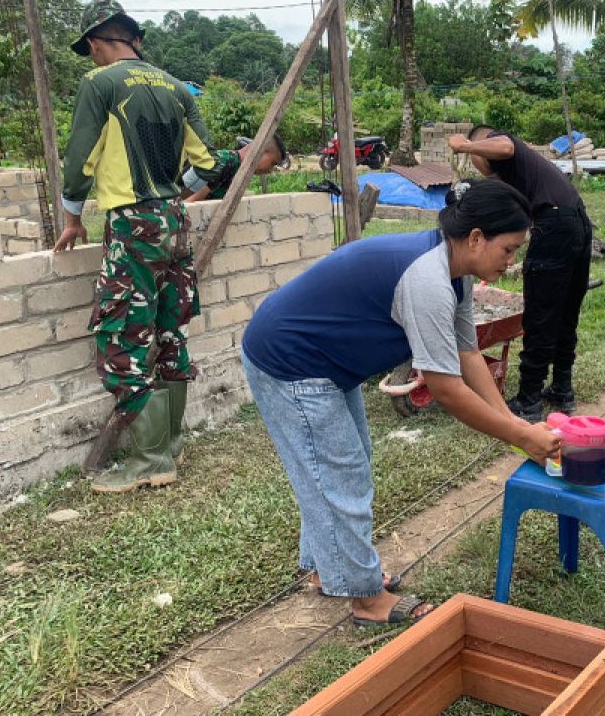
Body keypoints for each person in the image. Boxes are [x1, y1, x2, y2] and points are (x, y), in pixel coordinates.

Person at [240, 178, 561, 626]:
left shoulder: (454, 273)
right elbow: (447, 389)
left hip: (324, 361)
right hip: (290, 359)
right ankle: (367, 600)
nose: (512, 261)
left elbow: (468, 354)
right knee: (338, 473)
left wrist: (513, 424)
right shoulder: (427, 280)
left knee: (341, 466)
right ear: (474, 238)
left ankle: (329, 569)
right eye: (508, 250)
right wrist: (521, 434)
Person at [55, 0, 229, 494]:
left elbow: (79, 159)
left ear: (95, 43)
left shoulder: (100, 84)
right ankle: (169, 444)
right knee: (170, 331)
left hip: (133, 225)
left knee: (120, 340)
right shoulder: (176, 87)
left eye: (89, 51)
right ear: (134, 38)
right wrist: (176, 188)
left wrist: (71, 219)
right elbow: (212, 162)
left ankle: (150, 460)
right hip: (175, 221)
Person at [447, 125, 593, 422]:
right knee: (565, 312)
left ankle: (528, 399)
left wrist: (465, 146)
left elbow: (505, 146)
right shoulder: (521, 173)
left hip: (555, 224)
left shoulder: (505, 147)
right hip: (576, 220)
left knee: (540, 313)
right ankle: (562, 389)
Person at [182, 133, 289, 202]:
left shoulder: (237, 168)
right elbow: (188, 202)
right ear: (261, 152)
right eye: (272, 163)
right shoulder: (225, 162)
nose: (270, 170)